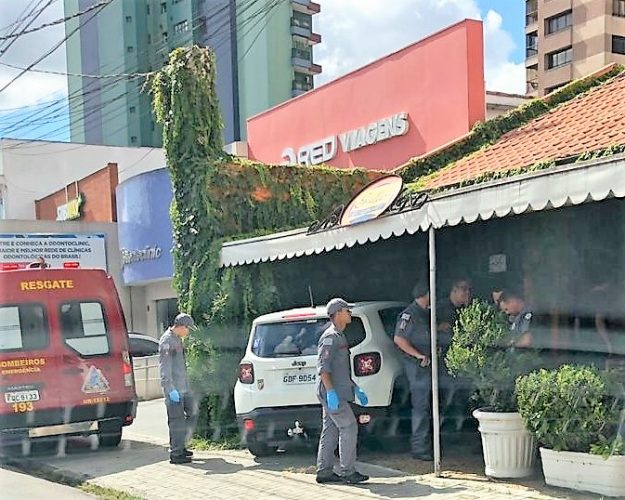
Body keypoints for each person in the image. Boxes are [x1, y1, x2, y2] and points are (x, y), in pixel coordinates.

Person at [315, 298, 369, 485]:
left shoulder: (339, 336)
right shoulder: (330, 337)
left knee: (330, 430)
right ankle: (347, 471)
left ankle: (324, 471)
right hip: (332, 392)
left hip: (337, 391)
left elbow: (340, 370)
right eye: (347, 310)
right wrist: (331, 392)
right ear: (337, 313)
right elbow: (323, 369)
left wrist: (355, 387)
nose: (350, 314)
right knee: (349, 427)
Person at [393, 281, 433, 461]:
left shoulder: (423, 313)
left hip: (424, 366)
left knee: (424, 407)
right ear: (425, 294)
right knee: (420, 407)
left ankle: (424, 445)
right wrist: (418, 356)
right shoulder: (409, 314)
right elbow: (399, 339)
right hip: (416, 367)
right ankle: (419, 448)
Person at [159, 313, 198, 464]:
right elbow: (165, 368)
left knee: (192, 413)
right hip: (174, 389)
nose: (188, 332)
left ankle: (181, 445)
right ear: (181, 327)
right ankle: (176, 453)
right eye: (188, 329)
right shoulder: (167, 341)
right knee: (176, 421)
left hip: (183, 387)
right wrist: (169, 389)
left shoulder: (176, 339)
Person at [437, 277, 472, 349]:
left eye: (469, 289)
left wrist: (468, 308)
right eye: (464, 289)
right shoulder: (440, 307)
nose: (467, 292)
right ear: (454, 290)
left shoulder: (467, 308)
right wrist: (439, 327)